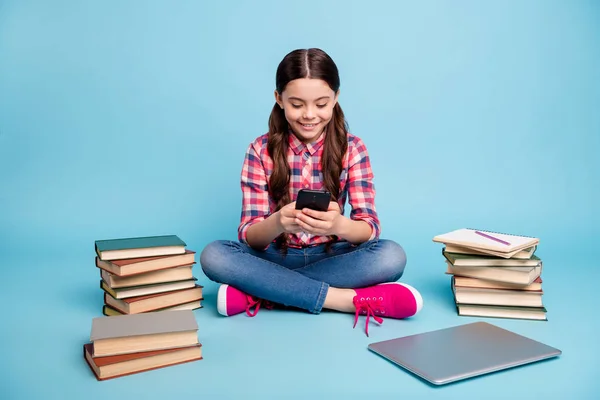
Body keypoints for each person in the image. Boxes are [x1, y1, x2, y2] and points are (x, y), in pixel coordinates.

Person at [200, 48, 423, 336]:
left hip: (333, 258)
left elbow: (369, 229)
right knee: (214, 255)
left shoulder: (352, 148)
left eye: (321, 104)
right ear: (279, 99)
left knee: (391, 256)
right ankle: (343, 300)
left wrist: (339, 225)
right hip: (275, 256)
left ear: (336, 98)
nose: (309, 115)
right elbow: (250, 236)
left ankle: (261, 293)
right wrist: (279, 221)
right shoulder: (259, 150)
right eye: (296, 104)